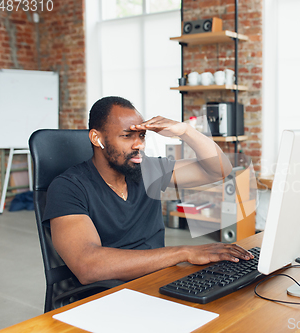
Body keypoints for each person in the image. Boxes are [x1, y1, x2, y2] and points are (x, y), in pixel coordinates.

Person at [43, 96, 253, 285]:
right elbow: (89, 266)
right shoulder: (68, 187)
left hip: (158, 279)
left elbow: (219, 170)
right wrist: (184, 252)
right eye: (127, 136)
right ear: (97, 139)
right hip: (109, 294)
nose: (139, 145)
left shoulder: (147, 170)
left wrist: (186, 132)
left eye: (142, 136)